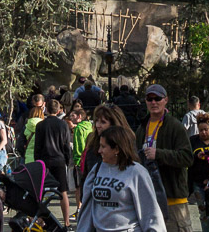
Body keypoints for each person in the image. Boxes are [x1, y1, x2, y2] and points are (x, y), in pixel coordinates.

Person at [77, 124, 167, 232]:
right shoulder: (97, 169)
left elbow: (150, 211)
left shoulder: (137, 172)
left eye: (103, 146)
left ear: (116, 149)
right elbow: (88, 208)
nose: (99, 151)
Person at [137, 84, 195, 232]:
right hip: (149, 199)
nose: (153, 102)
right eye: (150, 99)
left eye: (157, 98)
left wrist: (159, 154)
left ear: (166, 100)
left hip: (173, 198)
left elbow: (187, 157)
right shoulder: (141, 127)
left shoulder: (175, 126)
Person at [33, 97, 74, 228]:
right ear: (58, 110)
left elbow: (37, 146)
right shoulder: (63, 125)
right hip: (59, 159)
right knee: (63, 191)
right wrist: (67, 160)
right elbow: (66, 145)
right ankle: (66, 221)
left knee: (42, 192)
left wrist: (37, 162)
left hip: (44, 161)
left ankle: (40, 219)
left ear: (46, 109)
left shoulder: (40, 125)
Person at [79, 104, 133, 198]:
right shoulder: (93, 145)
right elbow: (87, 175)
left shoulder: (128, 145)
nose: (98, 125)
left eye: (103, 122)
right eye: (96, 121)